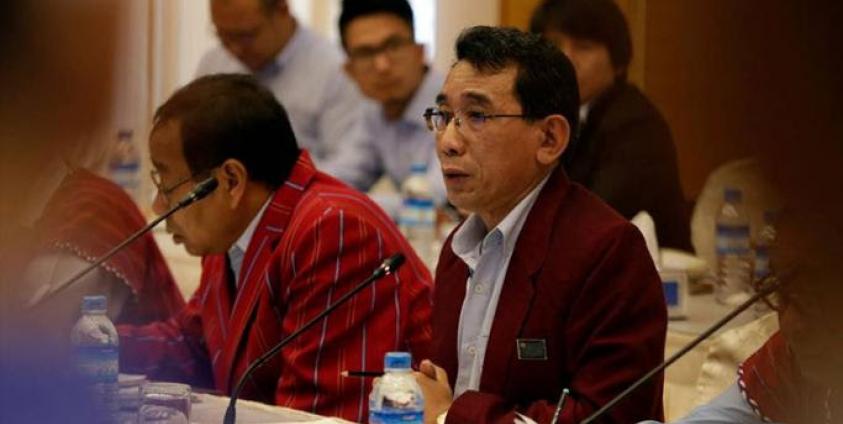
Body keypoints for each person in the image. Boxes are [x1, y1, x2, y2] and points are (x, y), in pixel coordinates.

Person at [117, 74, 434, 421]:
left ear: (231, 181)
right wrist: (81, 347)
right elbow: (195, 346)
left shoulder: (332, 230)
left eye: (167, 184)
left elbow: (316, 418)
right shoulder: (231, 229)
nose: (161, 206)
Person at [415, 26, 667, 423]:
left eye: (476, 116)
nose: (448, 140)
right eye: (444, 116)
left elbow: (602, 418)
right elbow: (440, 391)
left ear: (549, 138)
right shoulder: (457, 251)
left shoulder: (607, 252)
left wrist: (451, 417)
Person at [530, 0, 691, 251]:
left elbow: (593, 219)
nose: (566, 59)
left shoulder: (635, 125)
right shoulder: (549, 115)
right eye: (553, 45)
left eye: (583, 47)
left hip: (656, 281)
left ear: (618, 63)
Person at [196, 0, 369, 184]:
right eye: (223, 36)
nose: (234, 49)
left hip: (299, 202)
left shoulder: (334, 70)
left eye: (246, 36)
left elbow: (348, 169)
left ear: (282, 10)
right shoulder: (214, 63)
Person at [335, 0, 445, 201]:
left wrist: (353, 204)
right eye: (366, 53)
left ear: (420, 51)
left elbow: (433, 198)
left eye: (393, 46)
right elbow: (342, 174)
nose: (382, 66)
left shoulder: (453, 106)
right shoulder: (374, 111)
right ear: (349, 71)